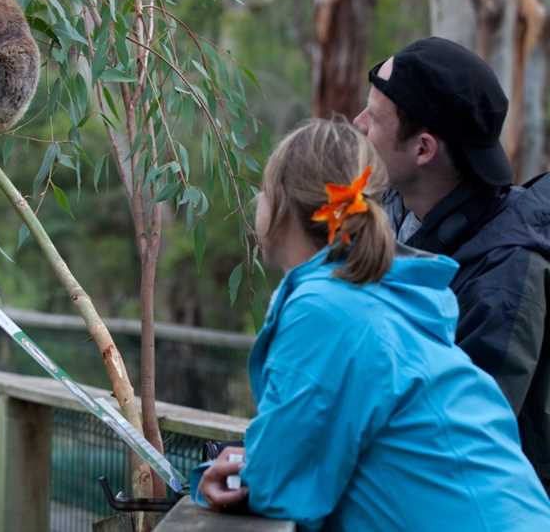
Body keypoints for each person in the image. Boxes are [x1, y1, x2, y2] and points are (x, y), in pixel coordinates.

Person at [194, 119, 550, 530]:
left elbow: (281, 485)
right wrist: (254, 461)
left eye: (265, 188)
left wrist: (234, 476)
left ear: (285, 204)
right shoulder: (382, 296)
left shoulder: (324, 308)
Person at [352, 37, 550, 492]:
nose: (359, 125)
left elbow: (450, 448)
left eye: (375, 118)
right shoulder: (400, 215)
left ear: (423, 150)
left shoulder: (504, 280)